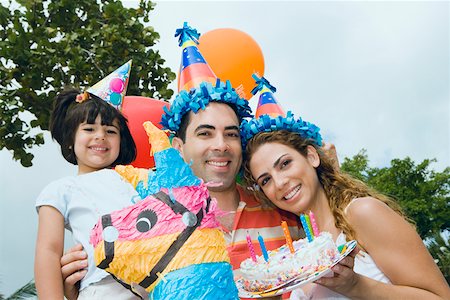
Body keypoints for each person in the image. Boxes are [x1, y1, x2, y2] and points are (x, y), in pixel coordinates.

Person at [242, 128, 450, 299]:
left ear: (312, 156)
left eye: (285, 164)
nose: (279, 183)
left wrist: (355, 286)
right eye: (266, 180)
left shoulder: (363, 213)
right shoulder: (301, 254)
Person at [34, 86, 141, 299]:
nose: (100, 136)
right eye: (89, 129)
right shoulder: (62, 189)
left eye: (111, 131)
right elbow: (49, 251)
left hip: (153, 284)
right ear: (70, 140)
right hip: (101, 288)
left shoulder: (138, 181)